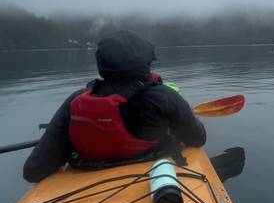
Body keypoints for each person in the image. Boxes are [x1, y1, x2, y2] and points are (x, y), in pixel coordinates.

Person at [23, 30, 206, 183]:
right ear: (144, 62)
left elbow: (33, 170)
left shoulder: (77, 99)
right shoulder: (164, 97)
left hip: (87, 180)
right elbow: (198, 138)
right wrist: (182, 116)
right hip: (152, 179)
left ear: (102, 64)